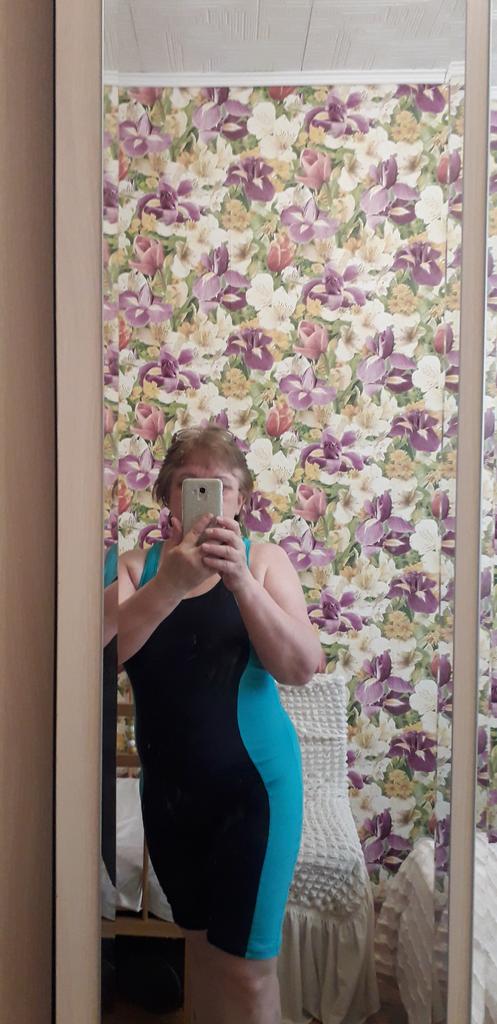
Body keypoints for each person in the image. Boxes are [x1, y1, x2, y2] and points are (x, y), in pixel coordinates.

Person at [118, 425, 322, 1024]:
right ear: (167, 496)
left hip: (254, 794)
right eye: (190, 484)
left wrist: (240, 583)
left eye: (221, 487)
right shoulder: (131, 568)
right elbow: (96, 655)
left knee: (249, 974)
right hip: (171, 800)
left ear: (240, 500)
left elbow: (302, 667)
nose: (207, 499)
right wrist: (170, 585)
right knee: (201, 956)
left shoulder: (265, 562)